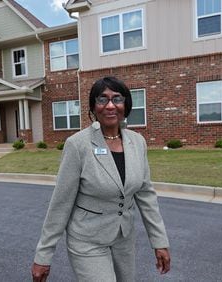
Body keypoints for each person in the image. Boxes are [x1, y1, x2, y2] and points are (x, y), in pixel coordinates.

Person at [31, 76, 171, 282]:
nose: (111, 105)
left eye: (117, 98)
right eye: (102, 99)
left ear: (126, 104)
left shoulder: (137, 142)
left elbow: (146, 195)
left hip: (123, 238)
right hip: (87, 240)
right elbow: (60, 204)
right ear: (93, 107)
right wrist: (43, 255)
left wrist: (159, 241)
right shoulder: (78, 145)